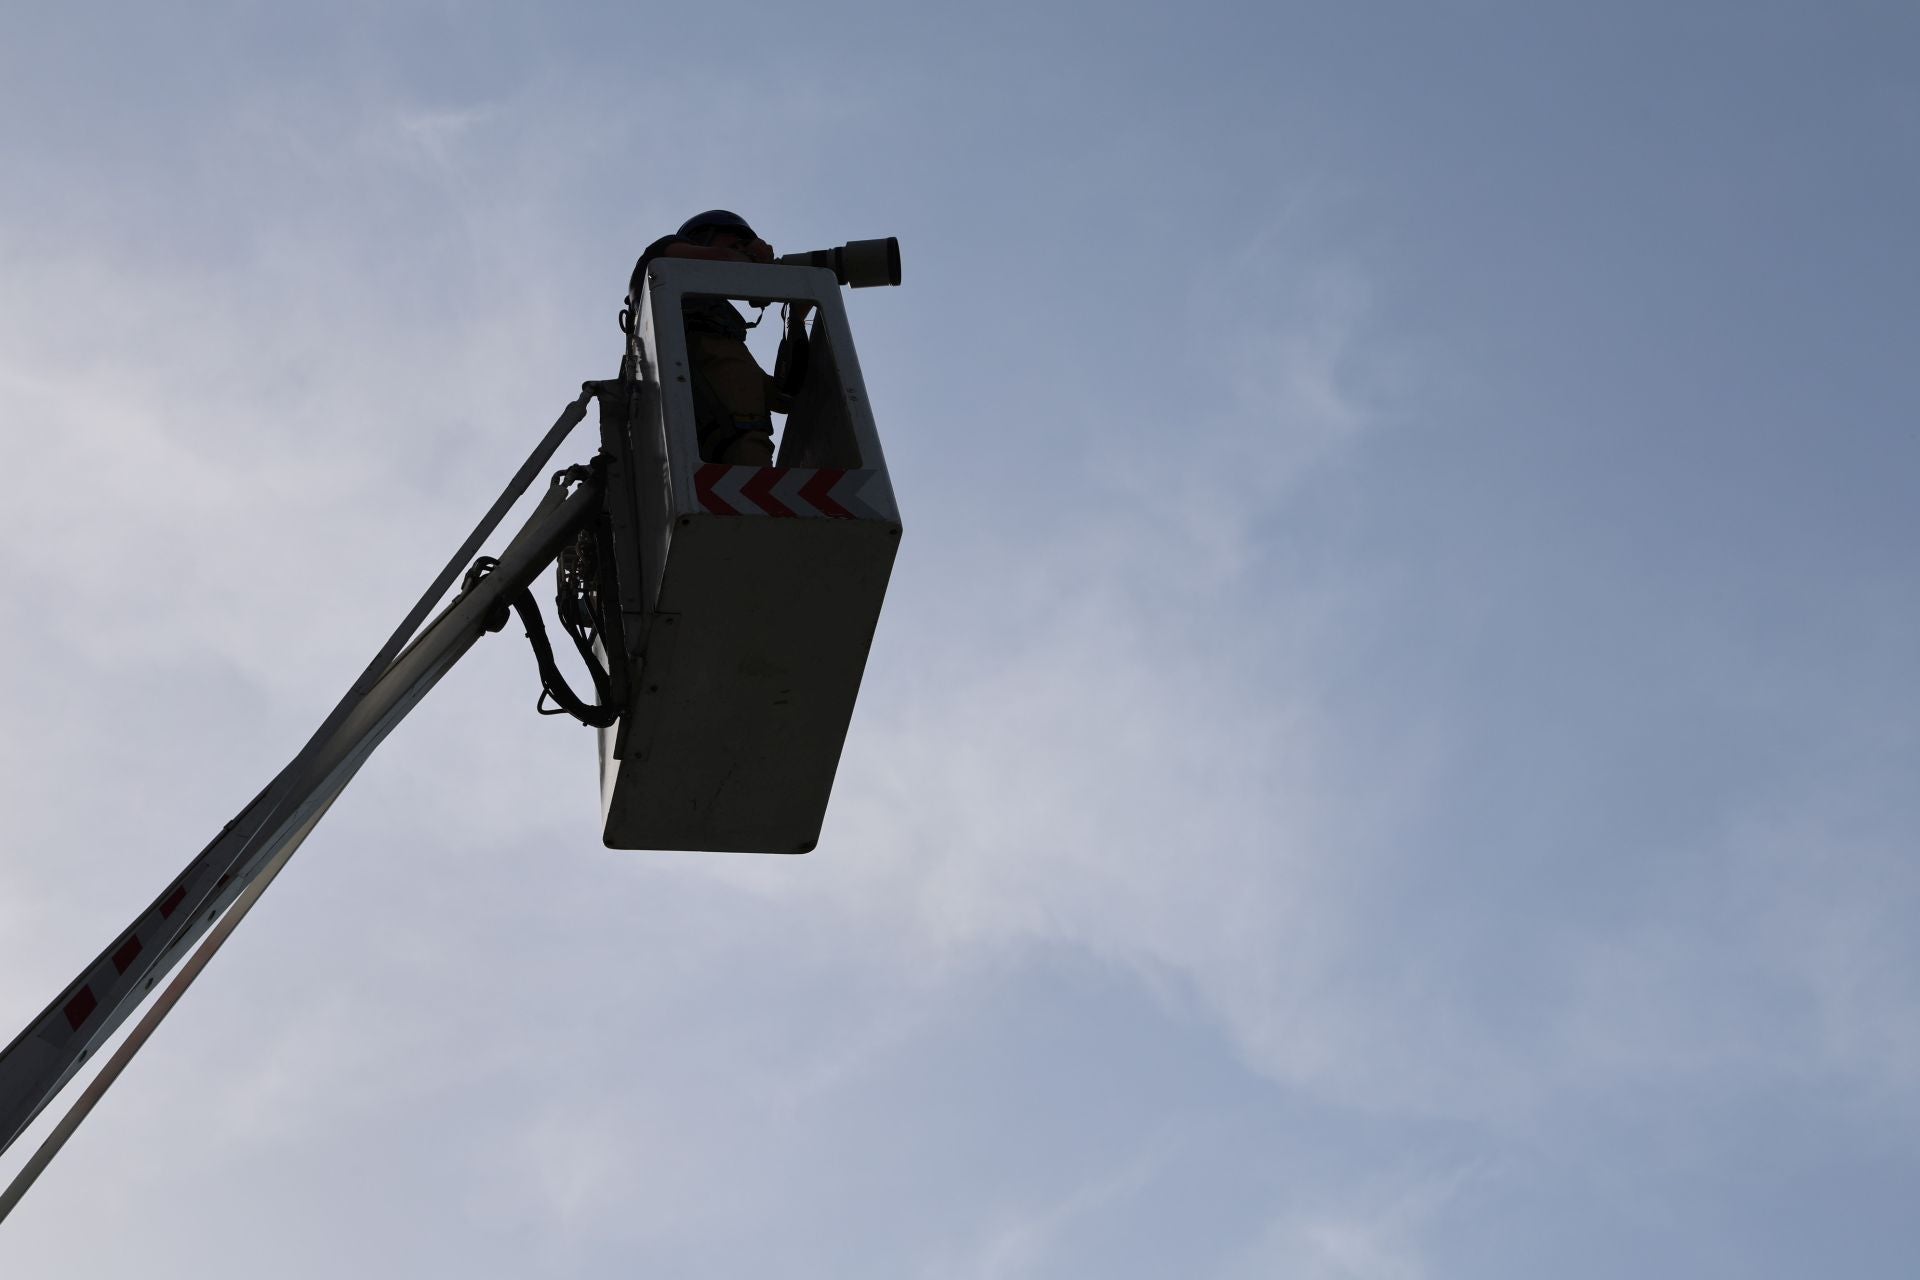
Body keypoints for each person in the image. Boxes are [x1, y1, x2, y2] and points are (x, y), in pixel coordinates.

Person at [625, 210, 811, 467]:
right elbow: (722, 260)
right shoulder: (664, 256)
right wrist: (758, 261)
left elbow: (784, 397)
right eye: (738, 243)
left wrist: (796, 320)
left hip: (746, 453)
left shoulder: (728, 348)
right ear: (702, 238)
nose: (744, 250)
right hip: (709, 452)